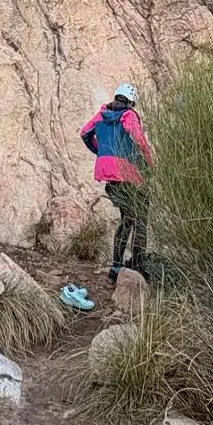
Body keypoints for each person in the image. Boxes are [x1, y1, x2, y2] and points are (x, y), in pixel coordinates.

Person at [80, 83, 155, 283]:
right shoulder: (128, 115)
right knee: (140, 221)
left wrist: (101, 152)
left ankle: (116, 266)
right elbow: (139, 140)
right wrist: (150, 164)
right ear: (130, 101)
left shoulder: (102, 114)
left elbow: (84, 133)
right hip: (130, 175)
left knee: (127, 219)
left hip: (110, 176)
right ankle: (138, 266)